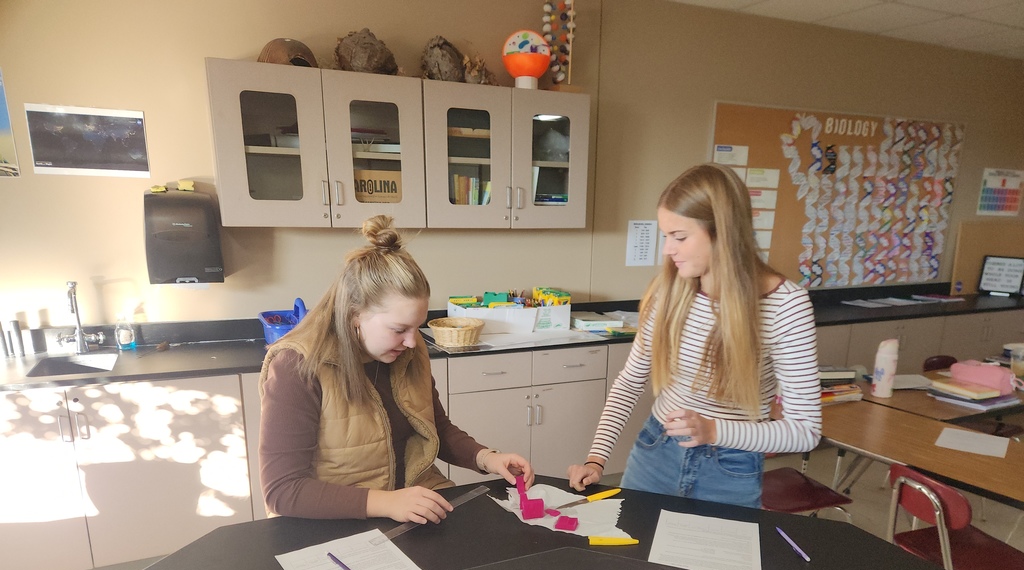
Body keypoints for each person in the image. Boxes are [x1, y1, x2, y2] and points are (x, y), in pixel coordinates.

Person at [567, 163, 821, 508]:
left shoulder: (785, 305)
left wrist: (715, 430)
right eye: (665, 236)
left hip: (732, 464)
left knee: (712, 560)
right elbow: (629, 382)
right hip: (656, 450)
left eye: (680, 237)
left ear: (724, 233)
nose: (667, 250)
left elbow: (804, 430)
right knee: (630, 552)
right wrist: (596, 459)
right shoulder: (668, 291)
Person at [259, 215, 534, 522]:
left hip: (416, 503)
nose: (412, 341)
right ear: (355, 315)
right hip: (337, 521)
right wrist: (388, 504)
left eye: (416, 327)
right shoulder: (297, 367)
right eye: (398, 328)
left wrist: (487, 458)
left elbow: (436, 429)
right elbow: (283, 490)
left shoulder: (407, 351)